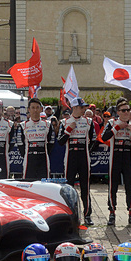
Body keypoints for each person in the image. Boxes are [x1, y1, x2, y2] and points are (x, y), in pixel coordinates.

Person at [101, 100, 131, 226]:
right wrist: (117, 127)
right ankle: (112, 213)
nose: (126, 112)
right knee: (113, 186)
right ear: (118, 112)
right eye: (123, 110)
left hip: (128, 157)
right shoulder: (112, 123)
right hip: (115, 157)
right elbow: (104, 137)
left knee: (130, 186)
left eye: (128, 110)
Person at [58, 97, 96, 226]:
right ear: (74, 108)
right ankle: (70, 214)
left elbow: (94, 140)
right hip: (70, 158)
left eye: (84, 107)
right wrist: (69, 130)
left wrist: (87, 150)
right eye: (81, 107)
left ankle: (87, 215)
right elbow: (60, 141)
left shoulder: (89, 121)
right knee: (69, 187)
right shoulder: (64, 122)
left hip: (84, 157)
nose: (84, 109)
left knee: (85, 187)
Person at [19, 98, 53, 181]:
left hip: (43, 159)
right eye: (33, 108)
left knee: (44, 185)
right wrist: (27, 154)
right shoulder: (23, 125)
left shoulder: (47, 124)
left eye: (37, 107)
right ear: (29, 109)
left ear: (41, 109)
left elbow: (51, 142)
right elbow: (20, 144)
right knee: (28, 184)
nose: (35, 110)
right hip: (29, 159)